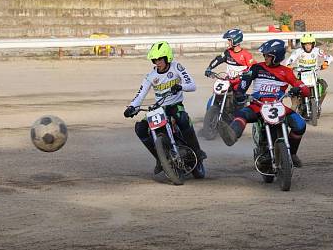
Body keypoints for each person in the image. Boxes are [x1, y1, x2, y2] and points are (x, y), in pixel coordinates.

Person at [218, 39, 309, 167]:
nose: (264, 57)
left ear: (276, 57)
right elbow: (245, 79)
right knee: (241, 114)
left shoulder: (286, 72)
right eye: (264, 55)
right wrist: (240, 92)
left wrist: (301, 89)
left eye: (268, 56)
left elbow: (301, 86)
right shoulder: (256, 68)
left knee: (300, 125)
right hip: (257, 105)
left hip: (278, 106)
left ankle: (292, 154)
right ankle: (232, 134)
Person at [123, 41, 207, 175]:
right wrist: (132, 107)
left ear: (167, 58)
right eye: (155, 60)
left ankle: (197, 152)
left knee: (183, 118)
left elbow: (192, 85)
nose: (157, 62)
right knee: (140, 128)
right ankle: (159, 158)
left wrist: (180, 86)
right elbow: (140, 94)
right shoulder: (150, 76)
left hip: (175, 106)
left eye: (160, 59)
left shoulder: (177, 67)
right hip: (159, 109)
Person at [284, 33, 333, 105]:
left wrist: (326, 63)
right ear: (302, 44)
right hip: (301, 74)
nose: (307, 46)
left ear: (313, 44)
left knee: (323, 86)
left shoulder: (317, 51)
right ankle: (294, 106)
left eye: (309, 44)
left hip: (313, 74)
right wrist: (288, 65)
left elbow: (329, 57)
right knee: (293, 90)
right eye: (305, 44)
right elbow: (289, 60)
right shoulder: (298, 51)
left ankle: (319, 104)